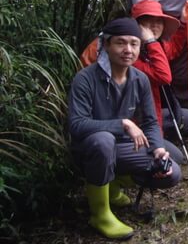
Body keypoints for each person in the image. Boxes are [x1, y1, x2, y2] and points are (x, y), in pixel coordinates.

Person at [68, 18, 181, 239]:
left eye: (134, 43)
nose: (127, 50)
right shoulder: (85, 79)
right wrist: (122, 124)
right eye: (120, 43)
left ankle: (113, 184)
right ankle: (100, 214)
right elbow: (76, 124)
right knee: (104, 141)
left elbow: (149, 122)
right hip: (90, 148)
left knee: (171, 171)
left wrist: (158, 149)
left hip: (123, 147)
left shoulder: (139, 79)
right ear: (106, 45)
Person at [80, 0, 188, 146]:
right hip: (120, 124)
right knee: (174, 161)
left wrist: (183, 23)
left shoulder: (151, 46)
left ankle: (158, 141)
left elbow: (172, 49)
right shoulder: (127, 54)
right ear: (137, 25)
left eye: (159, 21)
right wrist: (150, 40)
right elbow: (163, 76)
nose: (155, 25)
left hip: (144, 117)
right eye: (148, 21)